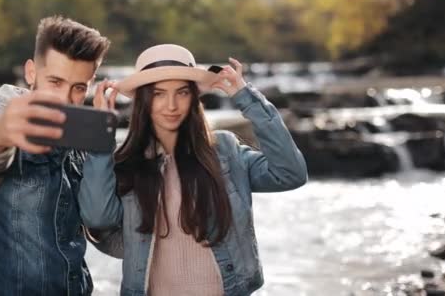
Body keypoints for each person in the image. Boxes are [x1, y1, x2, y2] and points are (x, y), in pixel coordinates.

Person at [79, 44, 308, 295]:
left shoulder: (226, 152)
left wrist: (246, 98)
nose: (171, 105)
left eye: (182, 93)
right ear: (144, 101)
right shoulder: (126, 163)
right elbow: (97, 218)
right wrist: (102, 135)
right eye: (158, 94)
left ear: (194, 98)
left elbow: (290, 174)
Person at [0, 15, 110, 295]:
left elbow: (105, 229)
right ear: (31, 72)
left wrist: (102, 148)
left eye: (79, 88)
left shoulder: (82, 137)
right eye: (55, 82)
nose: (64, 99)